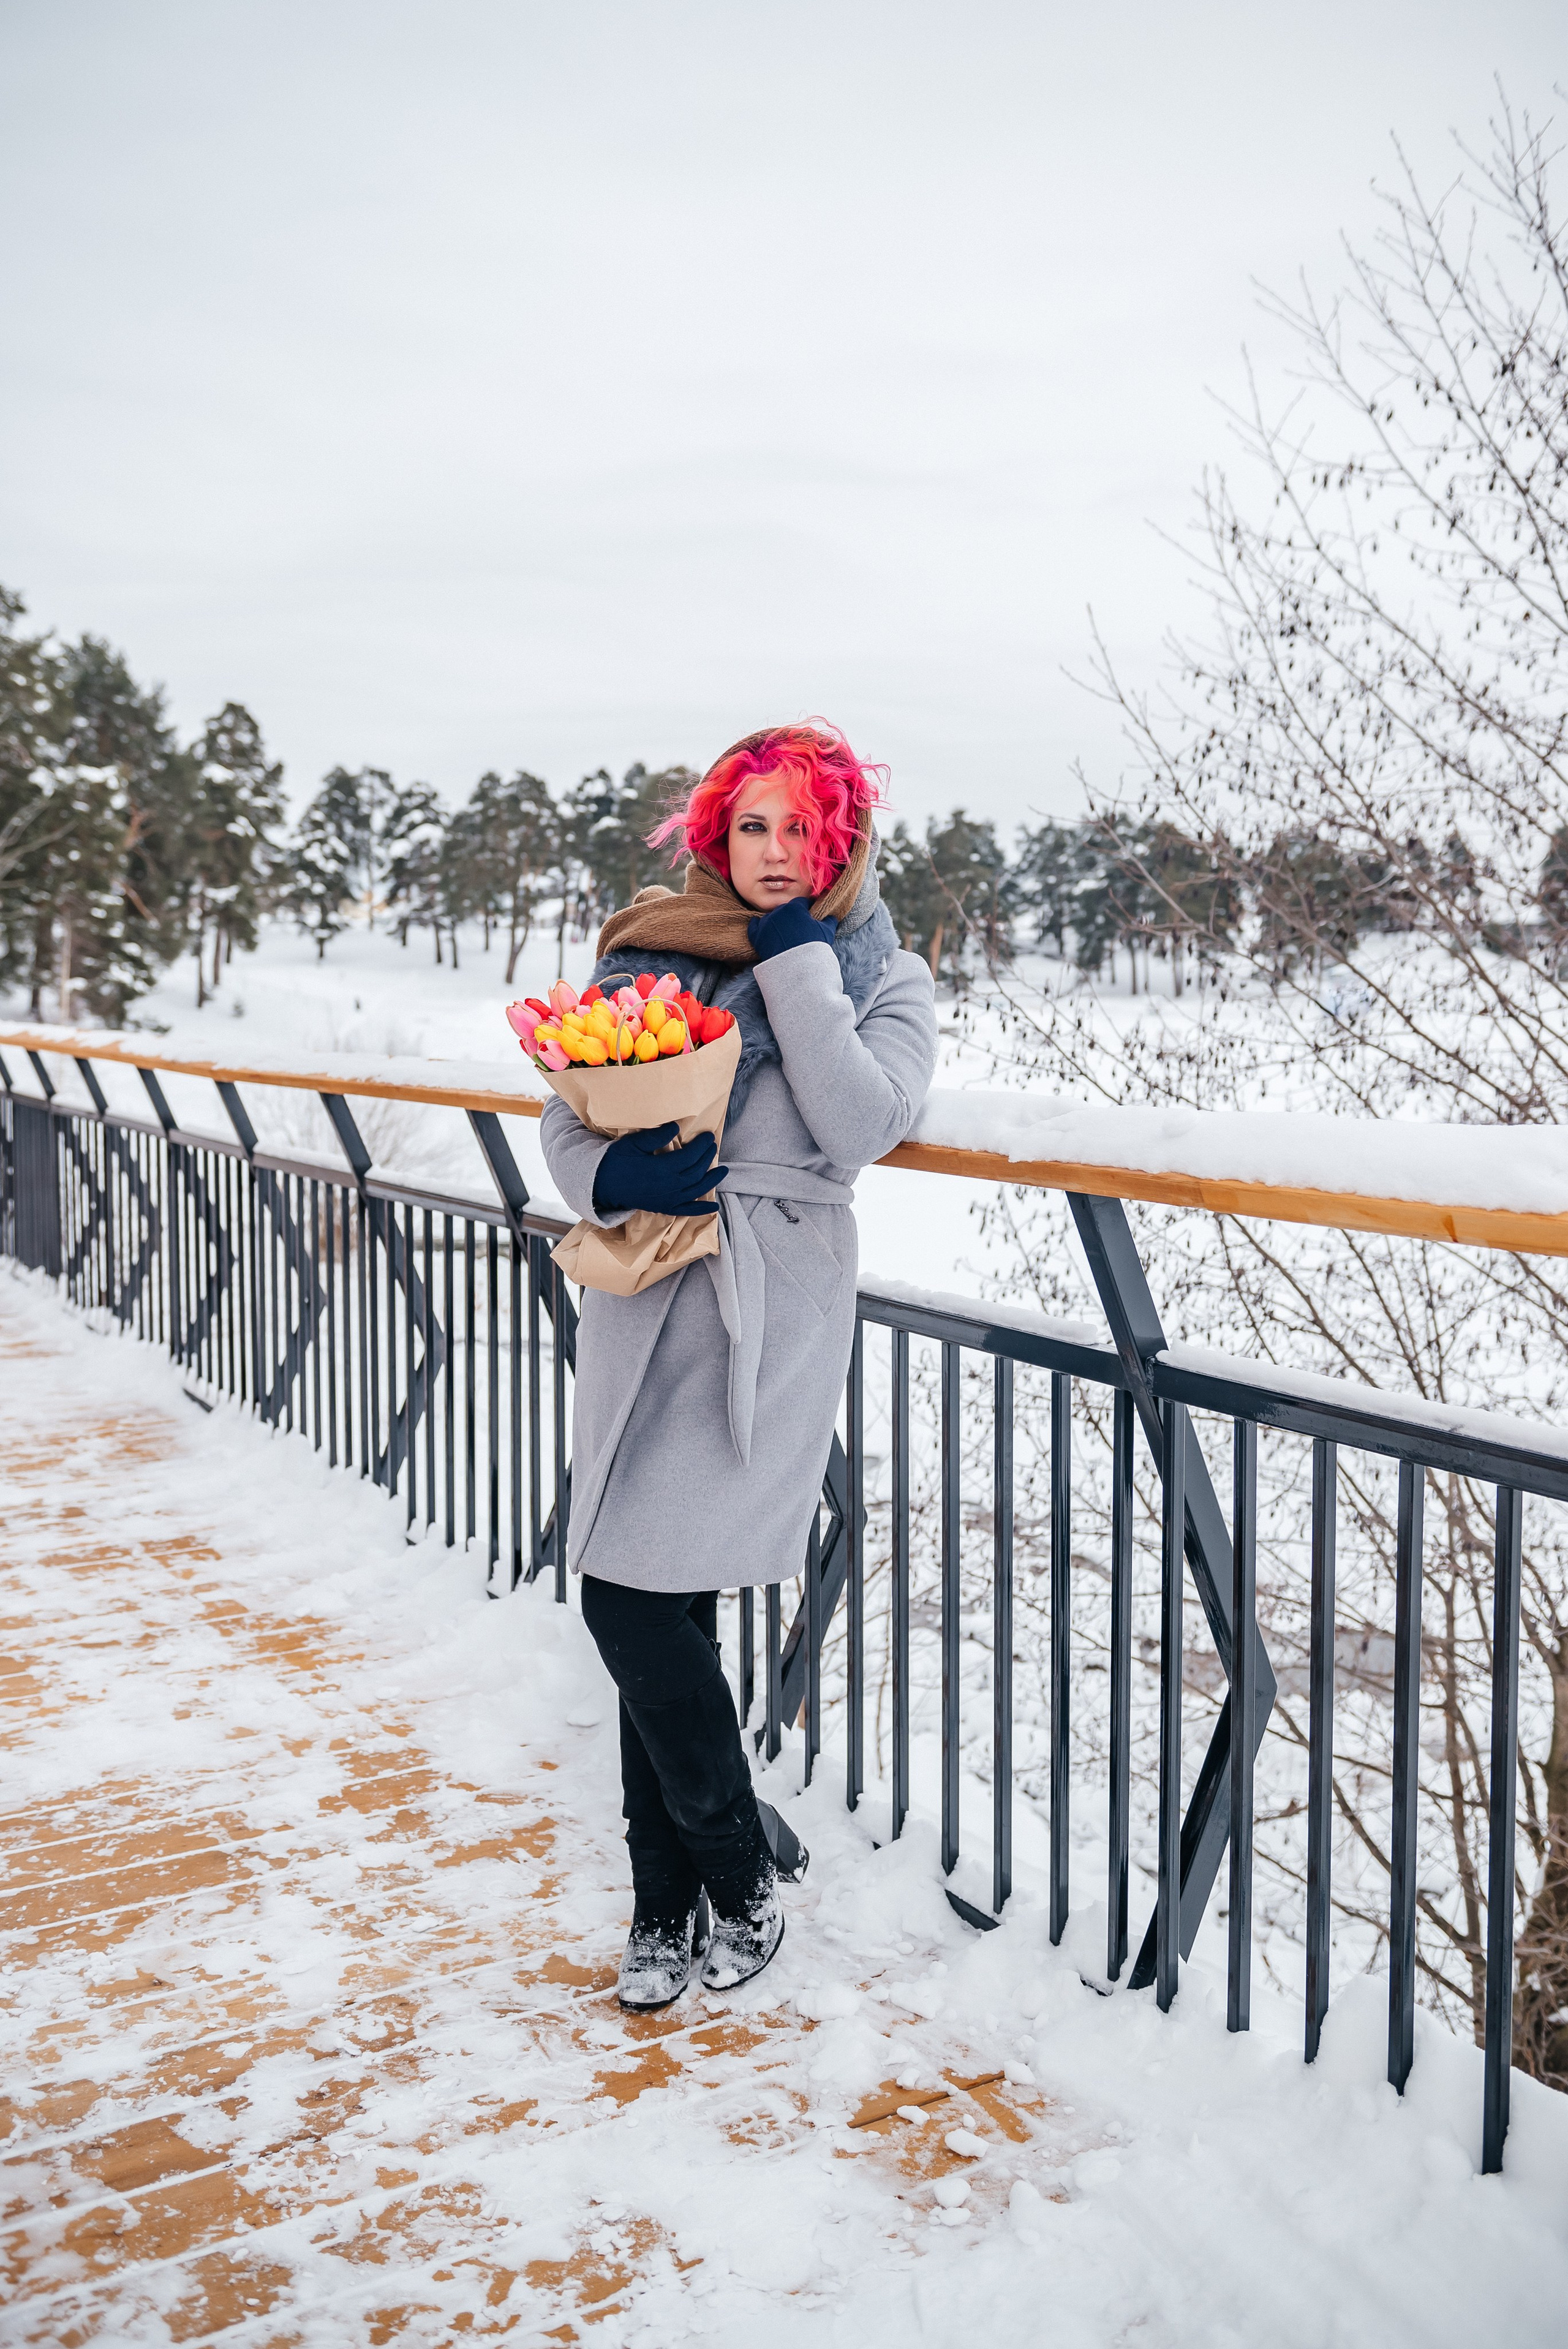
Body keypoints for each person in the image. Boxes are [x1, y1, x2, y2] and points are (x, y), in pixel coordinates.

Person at [540, 722, 938, 2009]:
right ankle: (687, 1893)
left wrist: (797, 969)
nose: (777, 854)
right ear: (717, 831)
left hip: (770, 1298)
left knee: (639, 1597)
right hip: (648, 1280)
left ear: (844, 841)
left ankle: (716, 1876)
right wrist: (608, 1170)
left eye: (804, 830)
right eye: (754, 826)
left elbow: (863, 1121)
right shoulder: (648, 948)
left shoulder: (884, 972)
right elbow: (563, 1105)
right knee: (649, 1597)